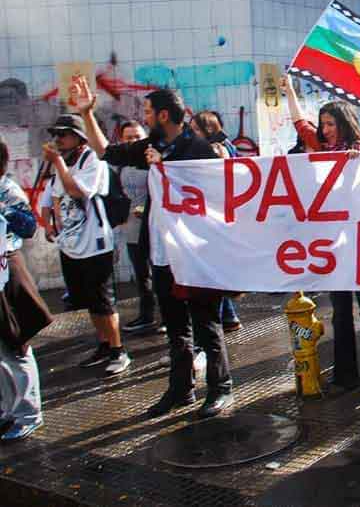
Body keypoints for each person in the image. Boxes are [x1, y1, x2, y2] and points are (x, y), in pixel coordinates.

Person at [72, 76, 233, 418]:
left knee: (205, 324)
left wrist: (165, 167)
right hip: (162, 253)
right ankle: (180, 390)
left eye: (147, 112)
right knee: (176, 328)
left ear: (163, 115)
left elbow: (217, 195)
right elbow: (106, 153)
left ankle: (221, 388)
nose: (143, 117)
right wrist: (88, 114)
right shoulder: (151, 145)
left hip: (195, 253)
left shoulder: (197, 149)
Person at [282, 77, 360, 398]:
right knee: (340, 312)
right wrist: (288, 89)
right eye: (322, 124)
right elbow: (299, 122)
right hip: (332, 243)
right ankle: (345, 377)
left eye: (329, 124)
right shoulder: (319, 148)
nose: (324, 129)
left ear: (343, 123)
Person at [39, 114, 130, 377]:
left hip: (95, 245)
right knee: (88, 301)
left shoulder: (93, 161)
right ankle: (104, 344)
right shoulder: (63, 163)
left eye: (63, 134)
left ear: (78, 137)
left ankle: (118, 350)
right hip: (70, 244)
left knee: (103, 301)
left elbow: (77, 191)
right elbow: (50, 195)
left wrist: (56, 162)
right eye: (55, 135)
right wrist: (48, 224)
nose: (58, 140)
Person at [0, 138, 52, 441]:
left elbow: (28, 226)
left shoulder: (7, 189)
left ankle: (29, 413)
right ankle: (8, 409)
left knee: (16, 344)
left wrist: (3, 208)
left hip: (7, 272)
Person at [186, 115, 243, 332]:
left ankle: (215, 325)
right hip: (216, 220)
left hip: (214, 222)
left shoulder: (215, 150)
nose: (191, 135)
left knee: (213, 275)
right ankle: (226, 317)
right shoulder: (221, 147)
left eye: (195, 130)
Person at [114, 121, 157, 334]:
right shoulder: (120, 164)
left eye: (137, 136)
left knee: (161, 273)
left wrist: (147, 208)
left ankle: (170, 318)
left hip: (154, 225)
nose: (132, 140)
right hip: (132, 227)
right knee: (141, 274)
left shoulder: (153, 161)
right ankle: (146, 315)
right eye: (128, 137)